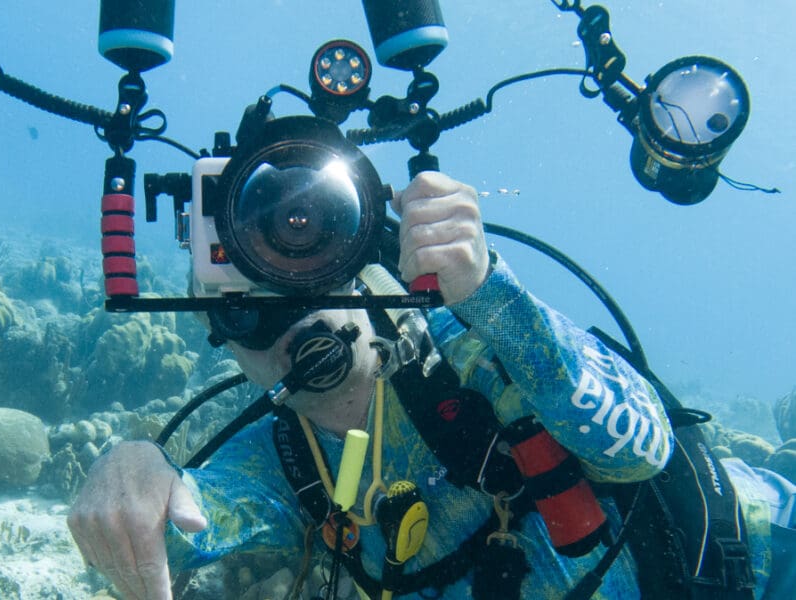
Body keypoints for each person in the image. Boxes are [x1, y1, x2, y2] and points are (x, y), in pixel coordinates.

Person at [68, 172, 791, 599]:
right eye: (250, 312)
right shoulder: (284, 461)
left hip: (766, 557)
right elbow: (181, 530)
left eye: (307, 278)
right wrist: (136, 469)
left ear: (352, 266)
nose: (294, 325)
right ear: (225, 346)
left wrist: (489, 294)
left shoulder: (477, 342)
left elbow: (643, 445)